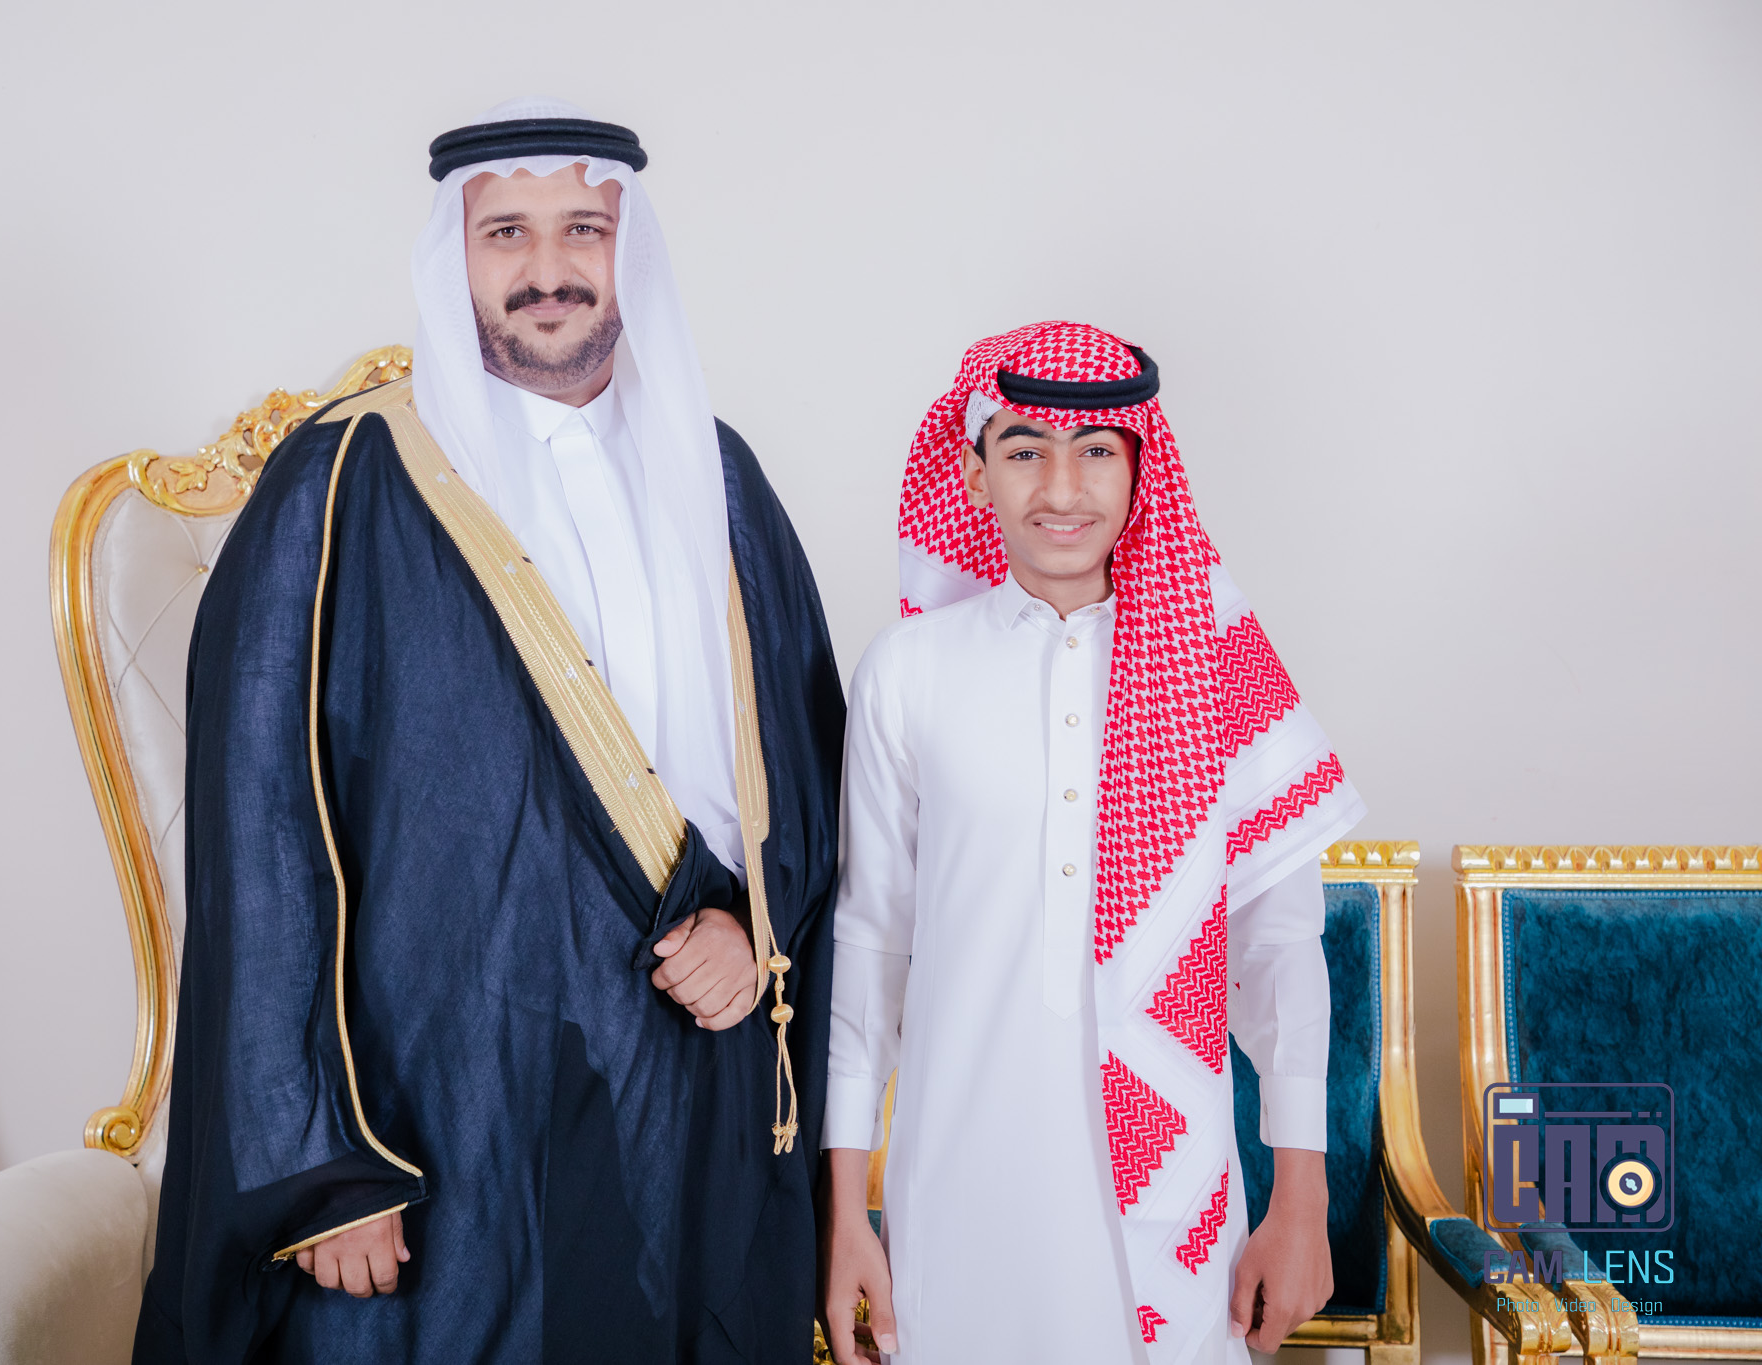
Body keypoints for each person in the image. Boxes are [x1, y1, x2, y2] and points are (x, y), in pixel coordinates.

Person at [135, 98, 844, 1365]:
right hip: (436, 1102)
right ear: (452, 258)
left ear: (629, 253)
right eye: (504, 233)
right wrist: (320, 1162)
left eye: (583, 230)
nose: (546, 269)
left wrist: (756, 930)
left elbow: (803, 765)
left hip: (687, 1078)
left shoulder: (718, 475)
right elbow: (259, 826)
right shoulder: (342, 477)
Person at [819, 322, 1363, 1365]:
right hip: (959, 1188)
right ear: (972, 473)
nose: (1061, 488)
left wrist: (1300, 1200)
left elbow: (1280, 950)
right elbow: (871, 945)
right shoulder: (908, 670)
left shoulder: (1214, 660)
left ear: (1138, 469)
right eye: (1024, 450)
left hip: (1171, 1199)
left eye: (1096, 450)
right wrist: (848, 1211)